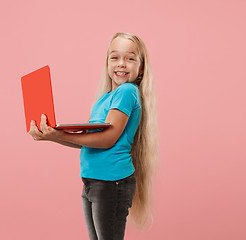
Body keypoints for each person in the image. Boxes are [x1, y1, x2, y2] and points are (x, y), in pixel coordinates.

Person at [29, 32, 159, 240]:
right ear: (107, 63)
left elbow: (107, 140)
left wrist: (56, 135)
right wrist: (52, 135)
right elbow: (89, 142)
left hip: (111, 182)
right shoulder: (105, 98)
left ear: (141, 68)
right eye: (114, 57)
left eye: (130, 58)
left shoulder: (127, 91)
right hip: (93, 181)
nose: (121, 64)